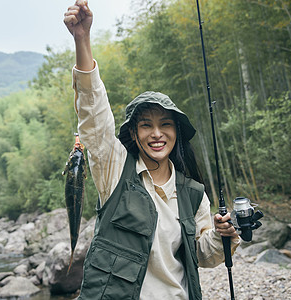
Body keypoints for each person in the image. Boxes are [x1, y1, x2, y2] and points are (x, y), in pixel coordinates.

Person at [63, 1, 240, 299]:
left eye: (165, 125)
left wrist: (226, 235)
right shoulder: (114, 169)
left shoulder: (193, 192)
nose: (157, 134)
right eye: (146, 125)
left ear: (177, 132)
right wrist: (82, 39)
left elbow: (203, 255)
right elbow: (94, 116)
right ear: (133, 132)